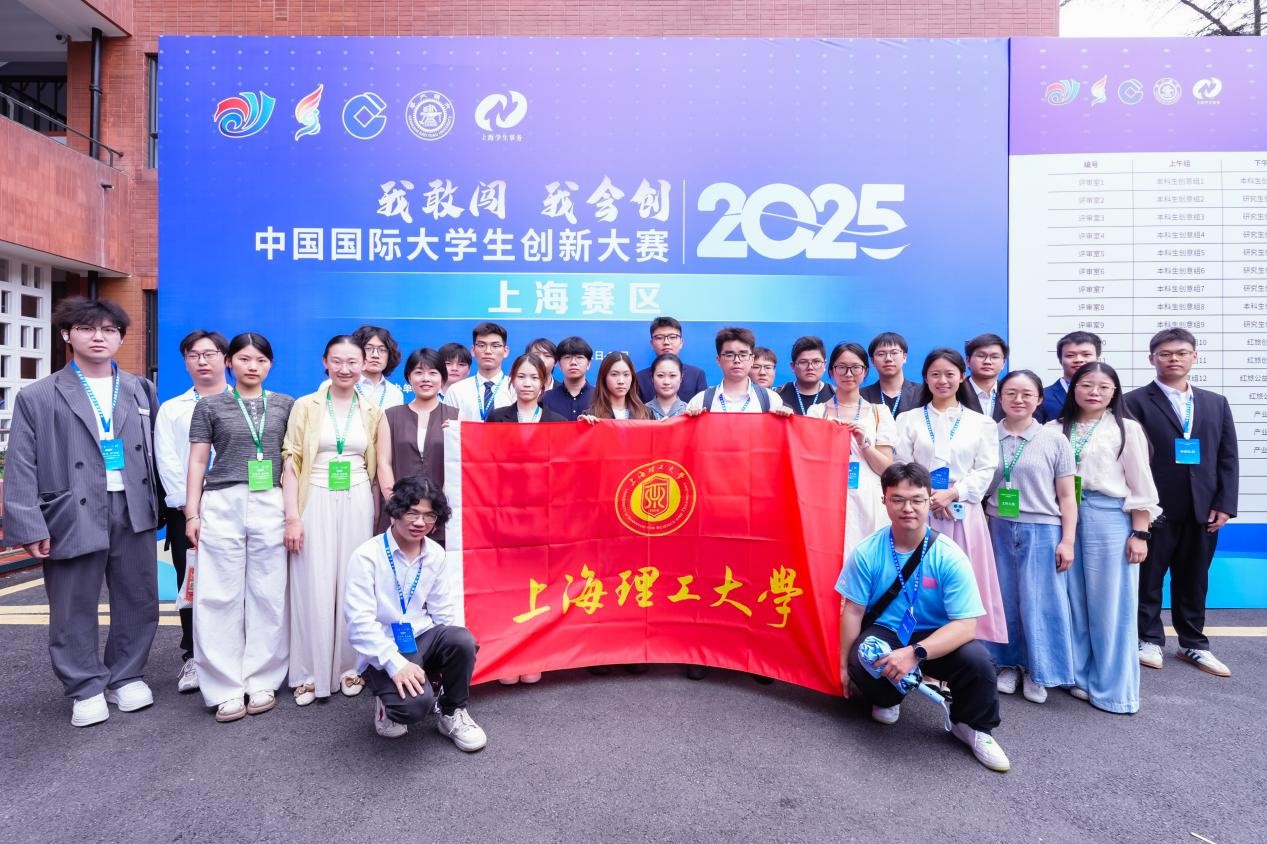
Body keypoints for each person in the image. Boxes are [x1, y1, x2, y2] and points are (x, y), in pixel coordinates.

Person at [4, 297, 161, 728]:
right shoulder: (38, 395)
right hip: (71, 508)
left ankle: (126, 674)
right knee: (72, 602)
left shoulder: (140, 389)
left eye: (109, 330)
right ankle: (85, 685)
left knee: (138, 595)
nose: (98, 337)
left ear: (120, 338)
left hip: (133, 506)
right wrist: (29, 522)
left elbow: (157, 451)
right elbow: (21, 463)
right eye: (87, 329)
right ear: (66, 334)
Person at [838, 462, 1010, 772]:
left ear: (929, 500)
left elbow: (966, 626)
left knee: (978, 662)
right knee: (862, 655)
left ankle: (971, 726)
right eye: (898, 499)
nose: (908, 508)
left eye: (917, 500)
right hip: (886, 632)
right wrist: (842, 667)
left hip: (935, 636)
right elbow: (853, 611)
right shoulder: (867, 552)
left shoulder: (949, 555)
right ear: (884, 500)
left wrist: (915, 652)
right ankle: (887, 697)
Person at [186, 333, 295, 723]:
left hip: (271, 500)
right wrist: (192, 513)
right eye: (245, 359)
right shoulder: (210, 405)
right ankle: (223, 686)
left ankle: (263, 679)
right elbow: (197, 461)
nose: (253, 366)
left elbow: (292, 459)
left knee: (269, 592)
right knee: (218, 594)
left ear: (270, 365)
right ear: (230, 362)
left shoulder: (286, 405)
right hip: (223, 500)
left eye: (261, 360)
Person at [1123, 328, 1238, 678]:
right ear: (1152, 359)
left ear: (1194, 357)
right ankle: (1148, 639)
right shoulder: (1133, 402)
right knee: (1149, 578)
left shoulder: (1215, 403)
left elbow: (1227, 456)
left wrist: (1225, 503)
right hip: (1156, 507)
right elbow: (1130, 457)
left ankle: (1193, 643)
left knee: (1194, 578)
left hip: (1203, 509)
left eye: (1182, 352)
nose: (1174, 359)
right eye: (1165, 353)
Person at [344, 476, 487, 750]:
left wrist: (454, 660)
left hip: (421, 637)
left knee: (462, 640)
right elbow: (359, 624)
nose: (420, 522)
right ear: (396, 511)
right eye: (412, 513)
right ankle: (387, 705)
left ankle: (452, 712)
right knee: (414, 707)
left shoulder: (435, 554)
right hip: (383, 647)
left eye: (429, 515)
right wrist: (395, 664)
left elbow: (443, 611)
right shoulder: (366, 556)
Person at [1051, 362, 1161, 713]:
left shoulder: (1126, 429)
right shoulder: (1055, 427)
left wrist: (1140, 533)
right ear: (1073, 388)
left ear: (1115, 392)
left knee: (1112, 605)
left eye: (1103, 386)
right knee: (1074, 600)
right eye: (1086, 384)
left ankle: (1115, 692)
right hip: (1064, 517)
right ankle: (1081, 677)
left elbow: (1141, 486)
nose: (1094, 392)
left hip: (1108, 517)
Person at [282, 335, 384, 708]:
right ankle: (308, 672)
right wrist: (292, 517)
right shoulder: (305, 406)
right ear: (325, 362)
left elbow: (376, 468)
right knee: (312, 581)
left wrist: (378, 514)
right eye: (337, 361)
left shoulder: (371, 410)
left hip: (357, 498)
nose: (345, 369)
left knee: (353, 582)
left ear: (364, 364)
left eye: (352, 362)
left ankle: (350, 667)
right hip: (315, 496)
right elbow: (291, 460)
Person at [893, 348, 1007, 644]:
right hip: (920, 511)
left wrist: (954, 493)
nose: (942, 380)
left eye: (949, 374)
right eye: (935, 374)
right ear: (925, 378)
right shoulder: (908, 419)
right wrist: (930, 495)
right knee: (920, 579)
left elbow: (986, 469)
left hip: (964, 511)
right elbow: (902, 464)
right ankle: (921, 644)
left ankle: (966, 645)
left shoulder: (981, 423)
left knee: (963, 580)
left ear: (962, 377)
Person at [984, 370, 1078, 704]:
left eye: (1027, 394)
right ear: (1000, 398)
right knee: (1004, 599)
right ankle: (1008, 664)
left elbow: (1067, 496)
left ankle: (1040, 671)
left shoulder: (1054, 439)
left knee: (1042, 602)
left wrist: (1068, 540)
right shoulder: (987, 435)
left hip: (1042, 528)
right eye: (1011, 393)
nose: (1018, 400)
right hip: (997, 525)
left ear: (1039, 399)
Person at [155, 329, 230, 695]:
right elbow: (168, 462)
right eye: (194, 355)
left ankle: (233, 655)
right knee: (192, 584)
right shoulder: (172, 409)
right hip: (189, 512)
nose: (202, 361)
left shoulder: (245, 402)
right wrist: (190, 509)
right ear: (185, 361)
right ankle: (194, 657)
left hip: (235, 506)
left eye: (210, 354)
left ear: (225, 360)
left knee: (235, 583)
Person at [807, 342, 896, 552]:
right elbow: (810, 465)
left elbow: (886, 469)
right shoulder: (817, 412)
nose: (849, 374)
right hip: (828, 499)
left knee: (869, 556)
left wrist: (864, 443)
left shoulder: (879, 413)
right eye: (841, 367)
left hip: (869, 501)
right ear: (831, 371)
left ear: (865, 371)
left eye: (856, 367)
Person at [375, 348, 459, 540]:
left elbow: (457, 468)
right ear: (408, 377)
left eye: (433, 373)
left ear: (442, 379)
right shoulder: (391, 415)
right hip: (398, 513)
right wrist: (396, 506)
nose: (425, 379)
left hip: (441, 517)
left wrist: (438, 510)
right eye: (419, 372)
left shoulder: (455, 416)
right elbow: (384, 463)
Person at [685, 327, 789, 416]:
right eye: (729, 355)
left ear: (752, 359)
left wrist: (786, 417)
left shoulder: (770, 399)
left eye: (743, 355)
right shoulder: (700, 401)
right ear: (718, 360)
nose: (737, 360)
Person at [443, 322, 514, 421]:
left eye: (495, 346)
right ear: (473, 350)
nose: (488, 351)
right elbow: (449, 428)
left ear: (505, 351)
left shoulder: (515, 388)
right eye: (481, 345)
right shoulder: (456, 391)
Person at [635, 316, 707, 401]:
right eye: (659, 337)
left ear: (681, 342)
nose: (666, 342)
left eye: (672, 337)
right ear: (652, 344)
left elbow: (702, 406)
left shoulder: (696, 375)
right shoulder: (639, 378)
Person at [1035, 331, 1101, 424]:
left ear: (1097, 359)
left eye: (1086, 355)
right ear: (1060, 360)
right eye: (1070, 355)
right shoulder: (1041, 398)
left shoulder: (1109, 396)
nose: (1079, 360)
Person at [487, 354, 567, 424]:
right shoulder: (496, 418)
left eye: (534, 377)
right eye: (521, 376)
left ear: (542, 383)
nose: (527, 384)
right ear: (513, 380)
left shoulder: (558, 422)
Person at [860, 332, 923, 418]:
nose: (888, 359)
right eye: (881, 354)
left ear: (904, 357)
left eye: (894, 353)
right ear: (872, 361)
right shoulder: (862, 396)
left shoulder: (922, 393)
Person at [582, 351, 653, 421]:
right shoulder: (591, 415)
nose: (621, 381)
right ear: (604, 378)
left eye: (626, 375)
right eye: (614, 374)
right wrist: (584, 425)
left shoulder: (646, 414)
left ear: (632, 378)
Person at [777, 336, 835, 416]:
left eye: (816, 361)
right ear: (793, 366)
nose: (810, 367)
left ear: (824, 365)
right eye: (803, 362)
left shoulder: (835, 396)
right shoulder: (778, 395)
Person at [541, 336, 595, 421]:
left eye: (579, 357)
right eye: (567, 357)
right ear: (559, 364)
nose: (573, 362)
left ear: (588, 364)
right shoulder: (546, 398)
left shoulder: (600, 398)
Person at [352, 324, 406, 410]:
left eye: (382, 350)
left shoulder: (395, 394)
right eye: (368, 348)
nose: (375, 355)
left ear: (389, 355)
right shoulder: (342, 386)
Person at [962, 333, 1008, 422]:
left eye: (994, 357)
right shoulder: (956, 392)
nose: (987, 361)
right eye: (981, 356)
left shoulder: (1009, 393)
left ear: (1003, 363)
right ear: (968, 361)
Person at [646, 353, 689, 420]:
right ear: (652, 378)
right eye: (660, 375)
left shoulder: (689, 411)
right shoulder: (641, 411)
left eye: (672, 375)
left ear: (681, 378)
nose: (666, 382)